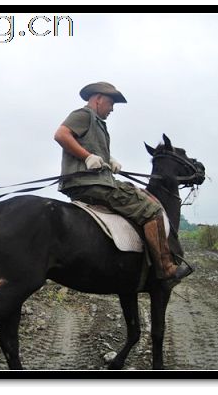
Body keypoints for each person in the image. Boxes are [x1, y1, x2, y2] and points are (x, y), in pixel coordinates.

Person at [53, 81, 192, 286]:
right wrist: (88, 157)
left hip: (96, 180)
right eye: (110, 103)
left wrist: (108, 160)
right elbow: (61, 135)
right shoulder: (84, 115)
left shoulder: (98, 123)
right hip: (91, 183)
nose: (112, 109)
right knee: (152, 210)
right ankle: (165, 267)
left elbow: (92, 149)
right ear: (98, 99)